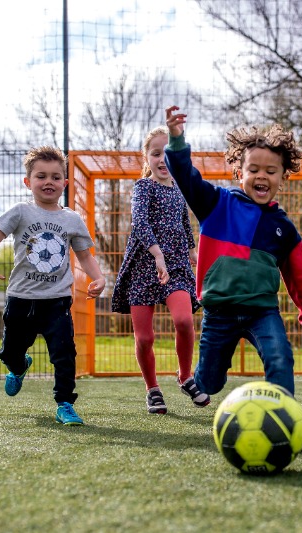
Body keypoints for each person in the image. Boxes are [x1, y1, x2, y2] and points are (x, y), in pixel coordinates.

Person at [164, 105, 302, 418]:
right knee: (210, 384)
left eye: (271, 171)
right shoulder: (217, 204)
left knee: (280, 358)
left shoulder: (283, 228)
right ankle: (198, 376)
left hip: (262, 311)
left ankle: (284, 419)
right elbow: (186, 178)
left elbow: (300, 278)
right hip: (219, 313)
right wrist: (176, 141)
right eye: (254, 169)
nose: (262, 176)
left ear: (283, 176)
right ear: (239, 172)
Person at [0, 146, 106, 426]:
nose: (48, 181)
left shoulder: (71, 219)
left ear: (64, 182)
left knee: (64, 353)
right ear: (28, 182)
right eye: (41, 176)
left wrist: (99, 277)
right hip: (20, 299)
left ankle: (64, 403)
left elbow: (84, 254)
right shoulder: (20, 212)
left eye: (55, 176)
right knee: (9, 353)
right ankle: (19, 365)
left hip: (57, 300)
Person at [111, 126, 209, 414]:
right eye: (156, 153)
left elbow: (183, 223)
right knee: (144, 338)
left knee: (183, 321)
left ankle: (185, 376)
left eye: (167, 153)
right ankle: (152, 389)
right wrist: (156, 254)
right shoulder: (143, 187)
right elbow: (140, 223)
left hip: (176, 266)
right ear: (147, 157)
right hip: (144, 266)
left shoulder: (180, 189)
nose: (162, 159)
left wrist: (192, 252)